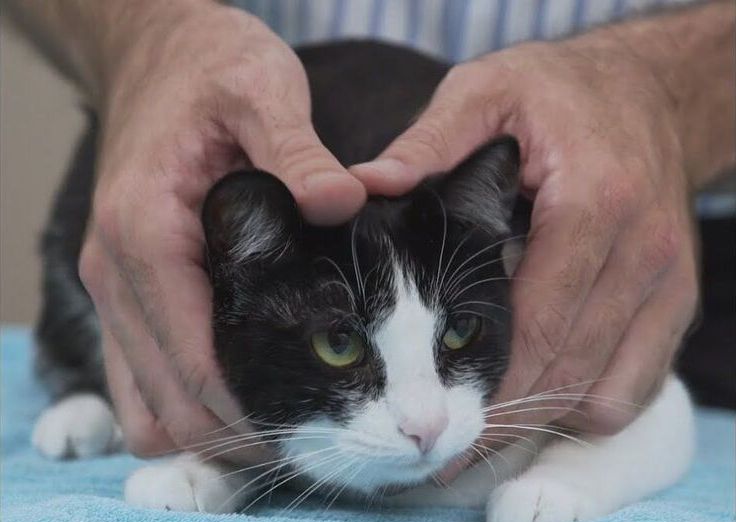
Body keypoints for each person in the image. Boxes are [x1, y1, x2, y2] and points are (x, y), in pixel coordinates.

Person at [5, 0, 734, 476]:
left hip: (624, 219)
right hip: (224, 166)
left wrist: (675, 89)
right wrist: (137, 36)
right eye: (341, 348)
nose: (422, 425)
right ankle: (82, 379)